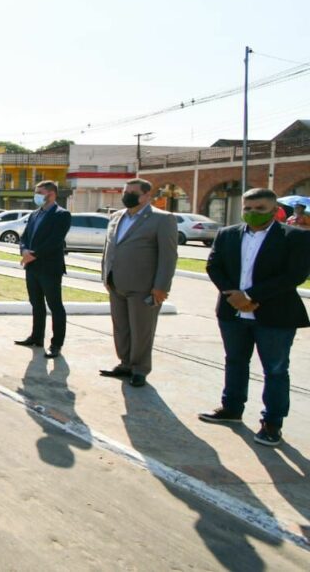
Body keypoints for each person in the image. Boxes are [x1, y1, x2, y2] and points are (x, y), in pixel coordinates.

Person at [198, 188, 310, 447]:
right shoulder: (227, 235)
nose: (252, 213)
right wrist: (233, 296)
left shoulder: (295, 237)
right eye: (248, 208)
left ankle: (272, 423)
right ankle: (232, 409)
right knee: (235, 361)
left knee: (275, 369)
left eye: (260, 209)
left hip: (275, 315)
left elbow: (294, 275)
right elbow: (213, 266)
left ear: (274, 211)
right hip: (232, 312)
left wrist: (250, 295)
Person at [99, 179, 178, 387]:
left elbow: (168, 257)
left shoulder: (162, 219)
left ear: (146, 196)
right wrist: (105, 275)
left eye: (133, 192)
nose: (128, 195)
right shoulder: (116, 217)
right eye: (126, 191)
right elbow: (109, 248)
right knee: (121, 328)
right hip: (116, 283)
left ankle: (140, 369)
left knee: (142, 329)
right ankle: (125, 363)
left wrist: (161, 286)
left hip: (144, 286)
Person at [14, 180, 71, 359]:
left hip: (49, 268)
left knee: (55, 306)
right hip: (32, 267)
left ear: (51, 194)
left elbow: (55, 241)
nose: (37, 195)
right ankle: (36, 337)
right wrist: (24, 250)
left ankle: (56, 344)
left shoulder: (62, 215)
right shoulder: (34, 214)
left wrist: (34, 254)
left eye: (40, 192)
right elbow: (25, 237)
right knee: (36, 304)